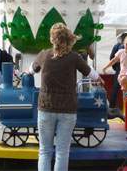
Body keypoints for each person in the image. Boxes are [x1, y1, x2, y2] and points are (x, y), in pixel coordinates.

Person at [29, 23, 103, 171]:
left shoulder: (44, 55)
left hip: (46, 108)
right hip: (67, 110)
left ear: (52, 39)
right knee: (62, 152)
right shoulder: (74, 57)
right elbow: (91, 73)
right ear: (68, 39)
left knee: (44, 151)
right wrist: (100, 79)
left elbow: (31, 70)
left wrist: (28, 71)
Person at [108, 32, 127, 108]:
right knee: (126, 89)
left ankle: (112, 107)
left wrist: (116, 67)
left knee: (115, 88)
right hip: (126, 69)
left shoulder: (117, 46)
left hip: (120, 69)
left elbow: (111, 58)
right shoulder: (118, 46)